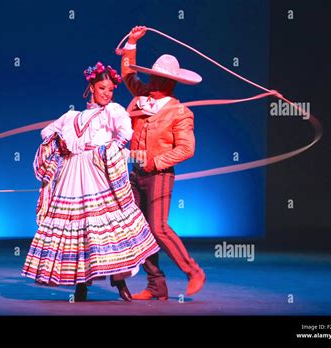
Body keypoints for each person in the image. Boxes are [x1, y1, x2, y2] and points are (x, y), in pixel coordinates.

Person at [21, 62, 160, 302]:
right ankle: (81, 284)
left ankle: (119, 280)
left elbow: (124, 134)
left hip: (98, 172)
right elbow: (47, 132)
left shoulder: (113, 111)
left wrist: (107, 152)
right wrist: (62, 144)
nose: (107, 93)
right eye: (102, 88)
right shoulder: (72, 116)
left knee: (108, 225)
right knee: (79, 228)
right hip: (74, 173)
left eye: (110, 89)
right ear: (92, 88)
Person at [120, 26, 206, 300]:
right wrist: (132, 42)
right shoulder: (142, 97)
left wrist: (156, 161)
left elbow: (186, 149)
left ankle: (192, 270)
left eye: (158, 80)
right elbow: (128, 75)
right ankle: (156, 284)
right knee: (140, 229)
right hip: (134, 173)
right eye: (153, 78)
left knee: (158, 227)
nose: (152, 83)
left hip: (159, 174)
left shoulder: (180, 113)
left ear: (170, 83)